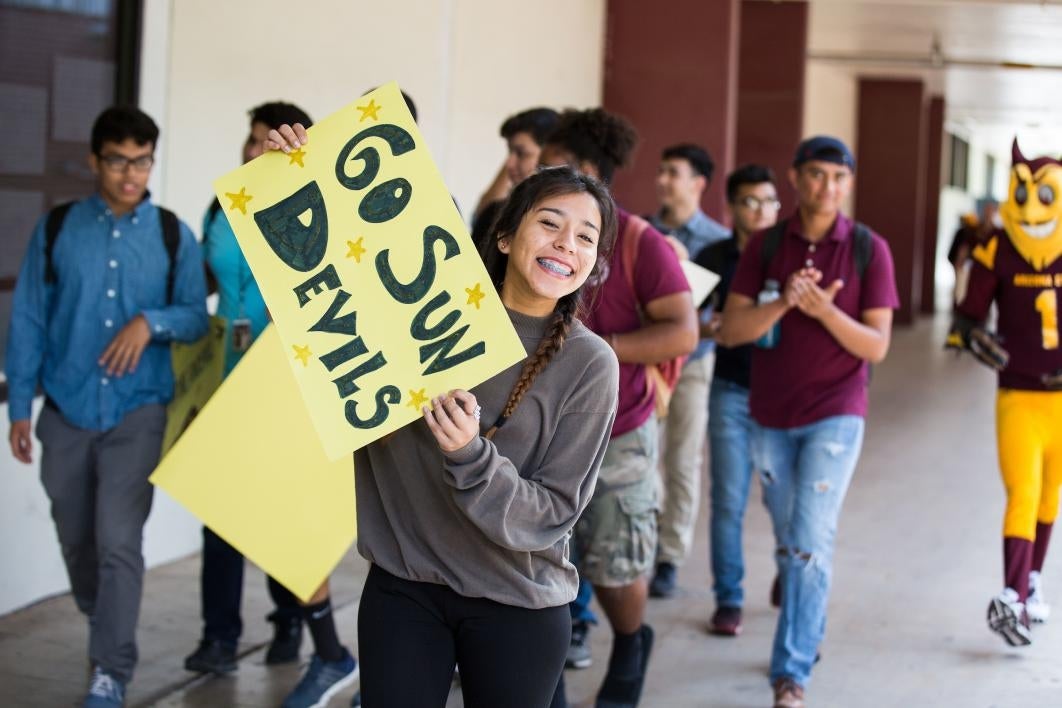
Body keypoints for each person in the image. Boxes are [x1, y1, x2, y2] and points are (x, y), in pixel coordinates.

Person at [272, 123, 622, 708]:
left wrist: (470, 456)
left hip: (519, 601)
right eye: (550, 224)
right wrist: (294, 176)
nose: (567, 244)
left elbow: (553, 512)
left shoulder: (590, 363)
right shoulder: (414, 303)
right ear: (506, 236)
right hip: (404, 586)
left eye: (586, 237)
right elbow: (352, 248)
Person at [6, 106, 209, 708]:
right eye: (118, 160)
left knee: (118, 538)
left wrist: (152, 322)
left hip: (137, 412)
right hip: (65, 409)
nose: (130, 173)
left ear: (152, 160)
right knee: (75, 536)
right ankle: (106, 624)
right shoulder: (57, 229)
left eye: (142, 160)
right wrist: (20, 403)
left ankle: (110, 671)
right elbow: (29, 319)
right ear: (96, 160)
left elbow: (197, 317)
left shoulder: (174, 235)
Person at [718, 136, 898, 708]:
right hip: (769, 413)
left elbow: (876, 346)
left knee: (811, 538)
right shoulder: (768, 244)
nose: (828, 187)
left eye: (839, 177)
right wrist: (784, 304)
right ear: (795, 179)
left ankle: (790, 671)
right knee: (790, 533)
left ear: (849, 183)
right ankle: (805, 614)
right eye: (817, 175)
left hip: (837, 413)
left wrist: (824, 310)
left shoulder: (870, 249)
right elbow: (730, 331)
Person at [540, 108, 698, 708]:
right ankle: (543, 679)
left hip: (618, 432)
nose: (533, 169)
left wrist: (594, 351)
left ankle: (631, 645)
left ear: (583, 170)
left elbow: (682, 333)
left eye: (546, 160)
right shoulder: (526, 228)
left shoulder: (638, 242)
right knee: (538, 568)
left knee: (614, 567)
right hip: (537, 434)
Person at [183, 102, 318, 678]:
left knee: (280, 514)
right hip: (225, 377)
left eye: (269, 140)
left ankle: (289, 619)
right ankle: (219, 636)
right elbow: (207, 279)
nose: (255, 149)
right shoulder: (223, 203)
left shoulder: (307, 207)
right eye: (251, 138)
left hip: (286, 384)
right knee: (221, 514)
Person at [947, 140, 1062, 647]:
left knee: (1049, 495)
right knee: (1023, 490)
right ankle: (1012, 593)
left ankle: (1031, 580)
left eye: (1044, 194)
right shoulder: (997, 247)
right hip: (1018, 393)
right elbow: (969, 316)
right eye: (1023, 193)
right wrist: (975, 339)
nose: (1032, 207)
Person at [694, 164, 780, 635]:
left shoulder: (787, 254)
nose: (761, 211)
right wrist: (722, 327)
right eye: (750, 201)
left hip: (785, 396)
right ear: (731, 207)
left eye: (769, 202)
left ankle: (789, 572)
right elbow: (685, 320)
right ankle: (729, 598)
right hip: (730, 391)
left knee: (782, 501)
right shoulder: (712, 256)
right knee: (728, 501)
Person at [646, 143, 729, 598]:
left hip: (694, 364)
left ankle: (669, 557)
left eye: (672, 172)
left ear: (698, 183)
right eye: (660, 171)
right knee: (643, 456)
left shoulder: (718, 240)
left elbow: (719, 312)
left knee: (682, 460)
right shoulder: (641, 230)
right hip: (649, 363)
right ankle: (646, 539)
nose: (662, 180)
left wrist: (683, 266)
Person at [472, 107, 561, 248]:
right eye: (510, 152)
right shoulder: (496, 212)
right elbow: (483, 217)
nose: (509, 164)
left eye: (521, 153)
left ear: (550, 155)